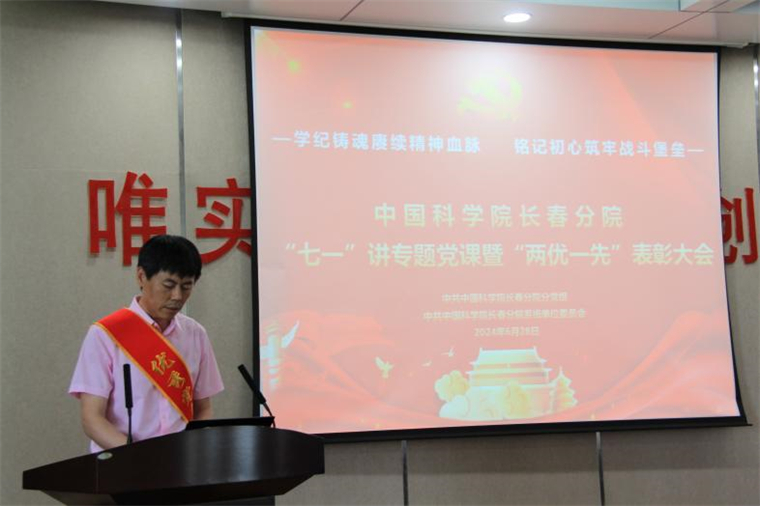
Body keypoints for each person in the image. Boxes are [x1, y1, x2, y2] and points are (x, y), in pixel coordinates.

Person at [69, 235, 224, 452]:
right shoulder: (105, 335)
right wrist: (140, 458)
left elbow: (203, 409)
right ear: (141, 276)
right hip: (124, 462)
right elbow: (92, 418)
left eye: (186, 286)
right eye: (168, 285)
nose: (177, 296)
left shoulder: (196, 334)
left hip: (181, 462)